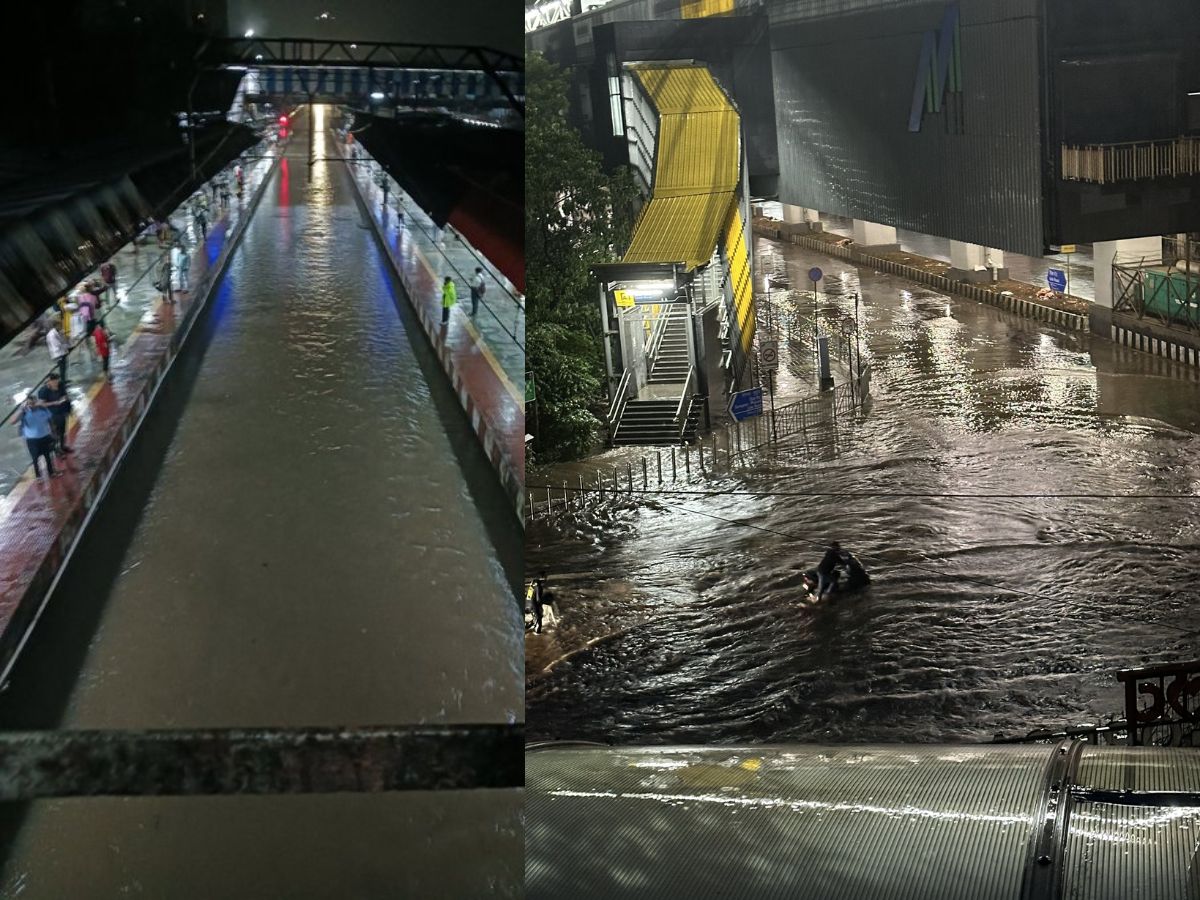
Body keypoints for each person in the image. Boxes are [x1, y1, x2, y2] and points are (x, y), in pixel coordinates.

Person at [15, 395, 59, 480]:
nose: (31, 405)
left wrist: (54, 433)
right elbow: (12, 421)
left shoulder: (43, 410)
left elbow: (50, 421)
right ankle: (38, 476)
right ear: (27, 404)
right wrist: (21, 410)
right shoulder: (24, 413)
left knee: (48, 456)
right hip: (32, 440)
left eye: (33, 403)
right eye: (29, 404)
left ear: (37, 402)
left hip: (45, 437)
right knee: (35, 458)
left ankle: (51, 472)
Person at [37, 372, 72, 454]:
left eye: (57, 381)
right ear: (49, 382)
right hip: (52, 415)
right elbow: (41, 404)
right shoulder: (43, 391)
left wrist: (65, 399)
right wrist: (54, 403)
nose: (57, 383)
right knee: (55, 433)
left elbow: (65, 395)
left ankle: (63, 446)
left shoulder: (60, 385)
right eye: (55, 382)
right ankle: (57, 450)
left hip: (62, 412)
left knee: (63, 430)